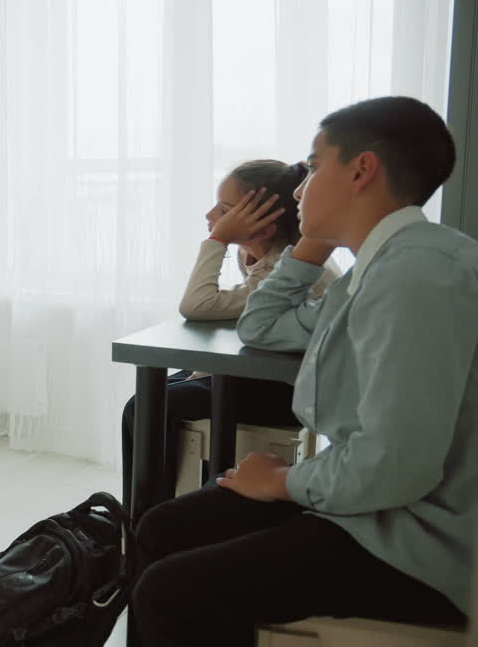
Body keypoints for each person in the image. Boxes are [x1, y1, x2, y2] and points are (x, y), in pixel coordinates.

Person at [131, 96, 475, 645]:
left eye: (313, 168)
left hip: (415, 539)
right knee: (162, 527)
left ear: (362, 170)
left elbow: (394, 467)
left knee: (171, 593)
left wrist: (283, 482)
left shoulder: (416, 279)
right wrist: (312, 244)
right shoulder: (374, 270)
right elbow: (260, 327)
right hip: (375, 506)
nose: (297, 190)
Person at [120, 160, 340, 511]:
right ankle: (151, 508)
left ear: (263, 226)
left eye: (224, 211)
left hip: (291, 390)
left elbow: (197, 304)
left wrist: (217, 238)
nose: (212, 215)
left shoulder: (286, 268)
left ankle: (147, 513)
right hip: (265, 373)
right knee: (154, 396)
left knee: (147, 406)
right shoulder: (257, 253)